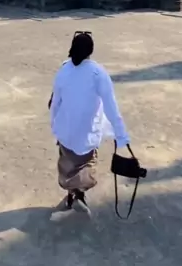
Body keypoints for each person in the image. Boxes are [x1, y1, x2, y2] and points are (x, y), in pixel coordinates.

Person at [49, 31, 129, 217]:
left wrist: (55, 127)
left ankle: (72, 195)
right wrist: (121, 135)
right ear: (90, 50)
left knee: (68, 166)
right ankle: (79, 195)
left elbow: (55, 103)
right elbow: (111, 106)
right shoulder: (98, 73)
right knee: (86, 165)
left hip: (66, 131)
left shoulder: (64, 71)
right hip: (88, 133)